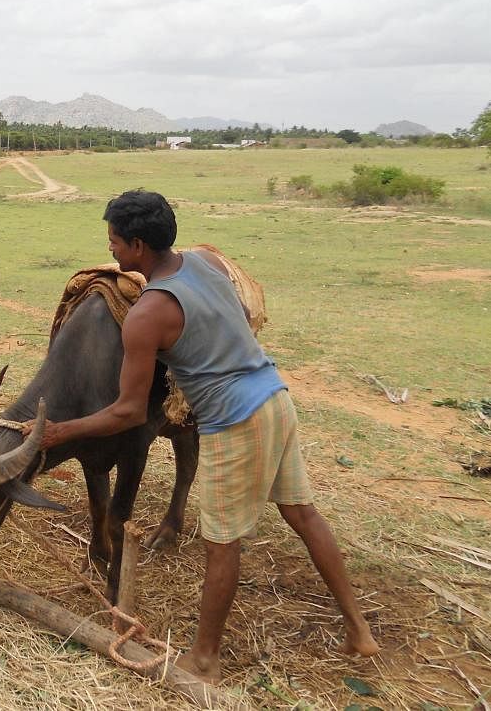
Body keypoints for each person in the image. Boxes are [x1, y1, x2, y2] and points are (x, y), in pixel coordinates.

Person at [37, 189, 378, 684]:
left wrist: (61, 431)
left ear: (136, 246)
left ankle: (203, 659)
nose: (109, 250)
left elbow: (130, 412)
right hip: (275, 398)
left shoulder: (148, 313)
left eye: (113, 241)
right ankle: (359, 629)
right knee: (303, 514)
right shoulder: (205, 263)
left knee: (221, 544)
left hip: (235, 421)